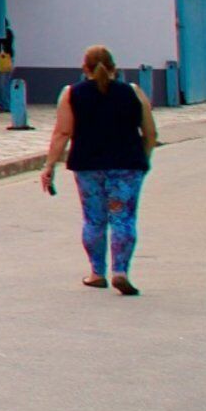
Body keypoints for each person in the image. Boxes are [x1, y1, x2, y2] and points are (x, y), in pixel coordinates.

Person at [42, 45, 159, 295]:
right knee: (123, 219)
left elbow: (62, 133)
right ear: (115, 68)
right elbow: (150, 133)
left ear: (84, 69)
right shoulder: (133, 92)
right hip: (127, 165)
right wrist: (144, 159)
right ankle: (120, 271)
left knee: (94, 220)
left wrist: (49, 165)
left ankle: (97, 273)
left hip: (87, 166)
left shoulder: (71, 93)